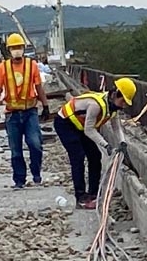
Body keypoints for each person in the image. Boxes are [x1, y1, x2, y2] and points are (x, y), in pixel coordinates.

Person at [53, 77, 135, 209]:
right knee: (78, 157)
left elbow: (116, 127)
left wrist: (122, 143)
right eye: (123, 101)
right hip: (65, 124)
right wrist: (106, 145)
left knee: (95, 156)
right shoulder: (96, 105)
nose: (123, 105)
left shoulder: (112, 108)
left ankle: (93, 194)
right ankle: (81, 197)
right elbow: (89, 130)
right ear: (116, 94)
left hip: (80, 126)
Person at [0, 33, 51, 189]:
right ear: (9, 50)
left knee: (35, 144)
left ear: (23, 49)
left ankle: (36, 171)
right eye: (14, 48)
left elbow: (38, 87)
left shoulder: (32, 66)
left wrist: (45, 105)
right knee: (16, 150)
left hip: (30, 111)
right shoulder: (2, 68)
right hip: (12, 114)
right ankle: (19, 179)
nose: (17, 50)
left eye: (19, 47)